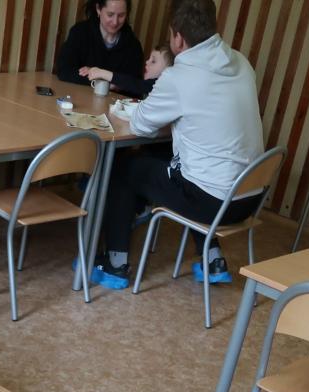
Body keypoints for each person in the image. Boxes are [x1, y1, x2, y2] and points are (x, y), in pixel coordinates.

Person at [91, 0, 263, 289]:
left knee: (124, 168)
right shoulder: (241, 63)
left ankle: (115, 265)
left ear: (178, 38)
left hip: (212, 202)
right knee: (186, 166)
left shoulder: (179, 76)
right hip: (249, 196)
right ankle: (212, 259)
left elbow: (141, 125)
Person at [54, 0, 143, 90]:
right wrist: (106, 81)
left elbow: (136, 84)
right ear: (98, 9)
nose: (115, 22)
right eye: (110, 15)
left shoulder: (133, 46)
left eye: (121, 15)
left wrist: (99, 74)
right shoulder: (80, 32)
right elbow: (64, 70)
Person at [84, 40, 172, 100]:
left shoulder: (160, 86)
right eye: (149, 58)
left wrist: (102, 73)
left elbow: (136, 84)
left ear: (168, 70)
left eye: (153, 61)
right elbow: (136, 88)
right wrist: (118, 86)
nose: (147, 62)